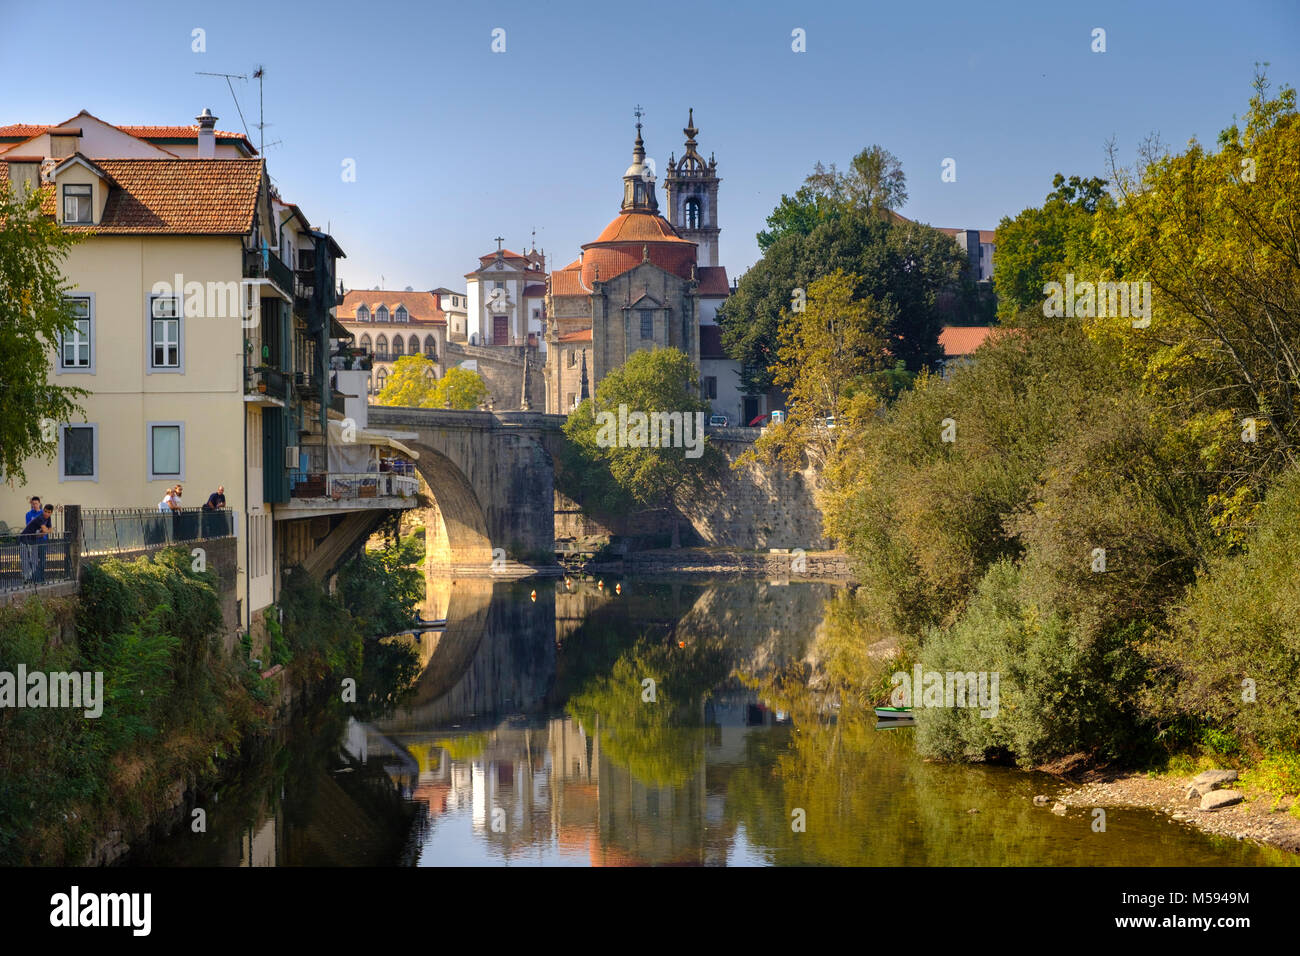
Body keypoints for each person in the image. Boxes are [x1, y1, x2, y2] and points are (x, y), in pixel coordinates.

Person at [19, 504, 53, 584]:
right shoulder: (40, 518)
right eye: (45, 511)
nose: (46, 513)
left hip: (33, 540)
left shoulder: (48, 518)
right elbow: (46, 531)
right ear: (43, 510)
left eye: (48, 512)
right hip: (25, 539)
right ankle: (26, 578)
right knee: (25, 560)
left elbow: (49, 529)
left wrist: (46, 531)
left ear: (51, 513)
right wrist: (46, 531)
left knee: (34, 560)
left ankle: (32, 578)